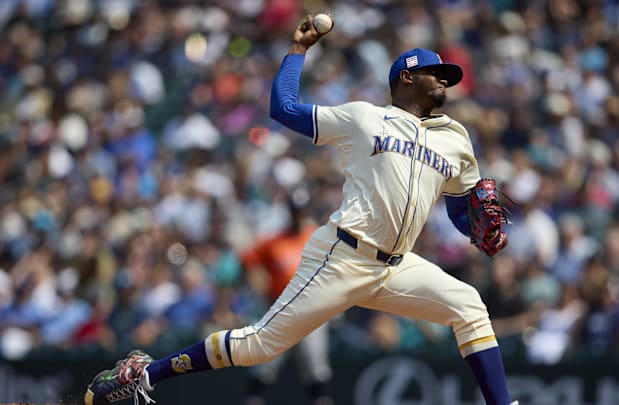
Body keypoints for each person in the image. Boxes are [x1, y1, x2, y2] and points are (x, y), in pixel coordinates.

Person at [84, 14, 518, 405]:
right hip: (344, 256)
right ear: (406, 77)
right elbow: (283, 108)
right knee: (259, 346)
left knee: (469, 305)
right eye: (436, 73)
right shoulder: (364, 117)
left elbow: (461, 211)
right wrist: (298, 50)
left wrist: (479, 229)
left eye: (447, 75)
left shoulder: (455, 138)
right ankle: (144, 373)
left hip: (398, 266)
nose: (445, 80)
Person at [240, 197, 333, 405]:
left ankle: (321, 400)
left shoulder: (318, 237)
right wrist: (258, 279)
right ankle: (253, 399)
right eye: (294, 211)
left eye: (300, 211)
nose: (297, 215)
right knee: (266, 361)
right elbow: (248, 258)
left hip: (311, 309)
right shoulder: (275, 241)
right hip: (279, 307)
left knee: (315, 363)